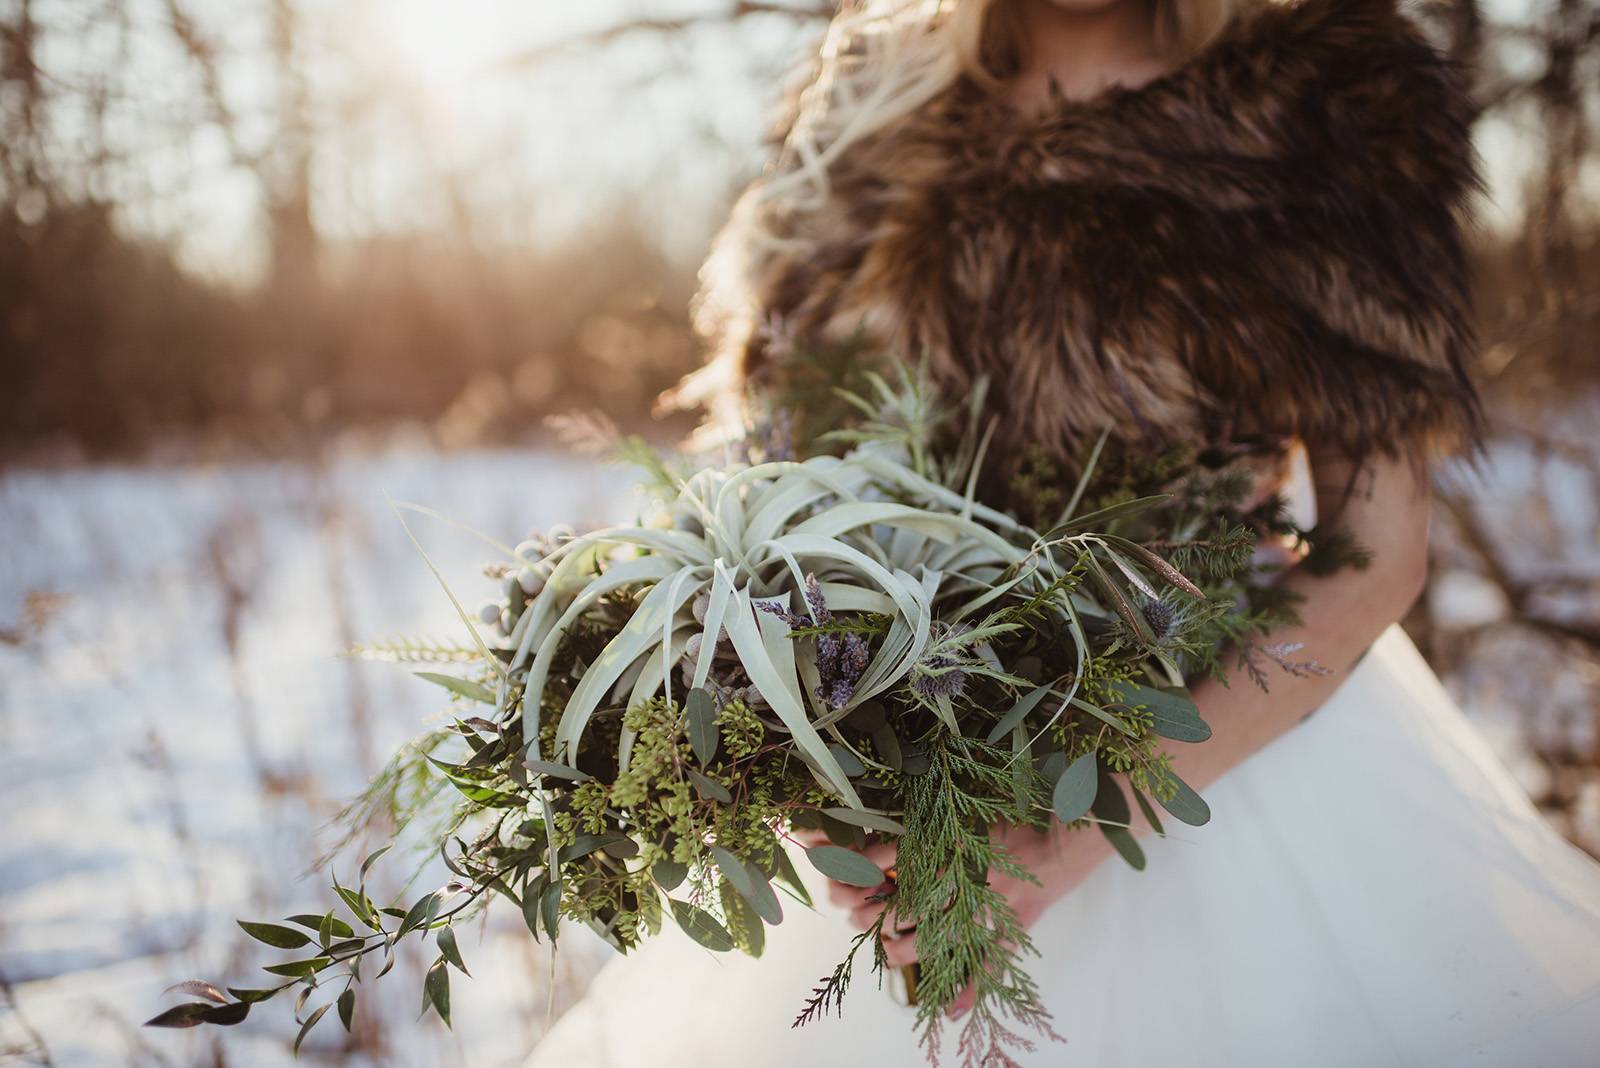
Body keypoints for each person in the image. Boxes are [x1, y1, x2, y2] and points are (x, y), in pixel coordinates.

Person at [529, 1, 1600, 1063]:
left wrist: (1067, 839)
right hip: (913, 787)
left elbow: (1378, 554)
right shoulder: (868, 103)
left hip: (1215, 765)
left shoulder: (1320, 96)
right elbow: (779, 477)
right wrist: (808, 758)